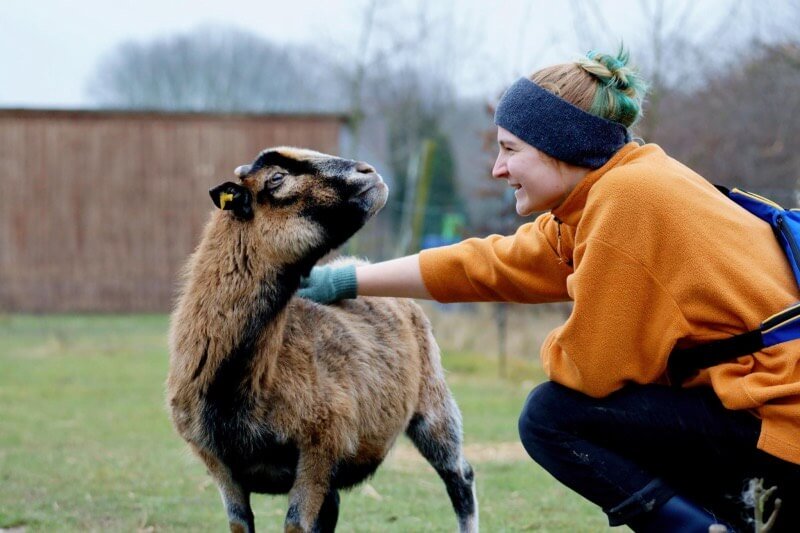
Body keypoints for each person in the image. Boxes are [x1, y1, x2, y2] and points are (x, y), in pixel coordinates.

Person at [297, 48, 800, 532]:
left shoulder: (625, 203)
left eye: (510, 149)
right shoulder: (613, 191)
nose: (498, 169)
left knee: (552, 417)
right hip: (762, 409)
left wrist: (558, 347)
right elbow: (487, 265)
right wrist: (347, 279)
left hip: (778, 416)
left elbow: (591, 371)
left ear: (562, 145)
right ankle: (735, 515)